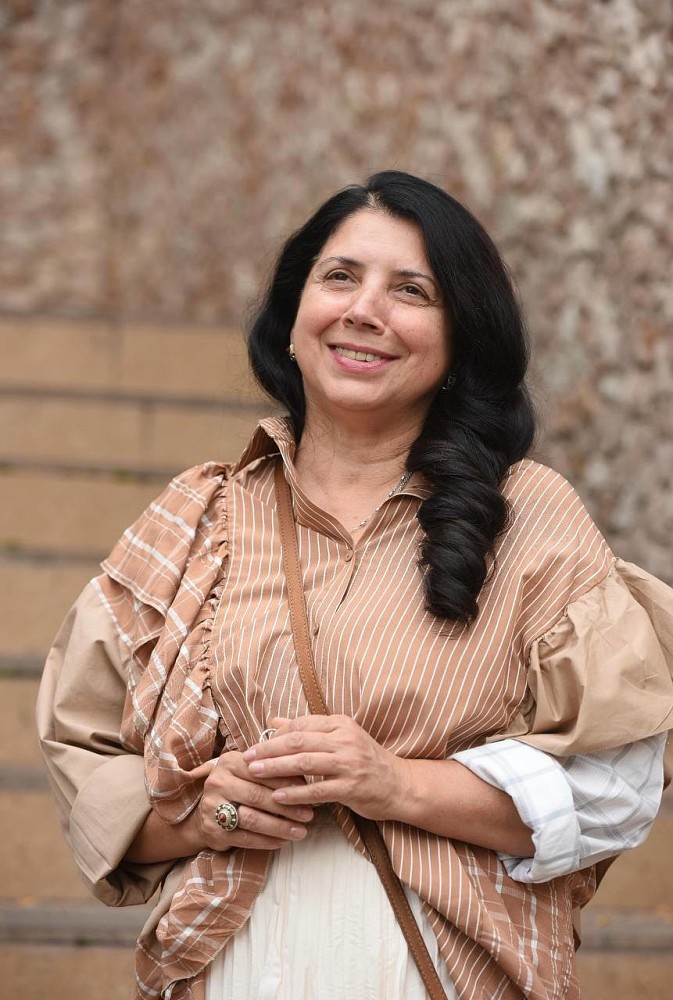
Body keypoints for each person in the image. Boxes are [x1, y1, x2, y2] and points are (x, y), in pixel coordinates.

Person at [37, 170, 673, 1000]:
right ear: (292, 318)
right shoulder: (198, 519)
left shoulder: (528, 517)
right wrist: (204, 810)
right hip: (231, 968)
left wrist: (395, 784)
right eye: (339, 276)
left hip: (441, 973)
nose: (364, 310)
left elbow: (617, 785)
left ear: (459, 341)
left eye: (411, 290)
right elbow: (85, 754)